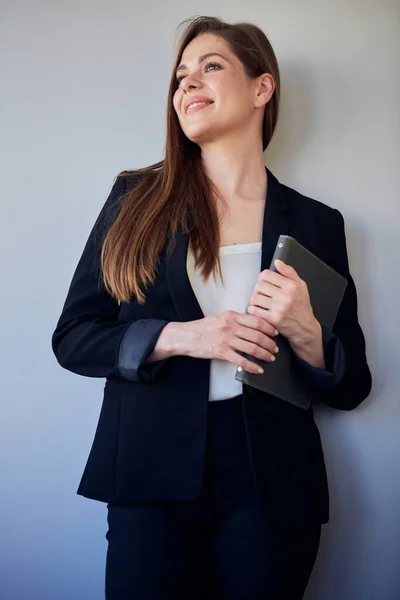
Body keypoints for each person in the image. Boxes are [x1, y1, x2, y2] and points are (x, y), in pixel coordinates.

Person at [51, 15, 372, 600]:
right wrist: (179, 337)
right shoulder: (134, 199)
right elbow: (72, 337)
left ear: (261, 89)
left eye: (211, 66)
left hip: (270, 479)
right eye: (179, 77)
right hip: (148, 472)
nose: (187, 85)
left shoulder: (318, 225)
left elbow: (351, 388)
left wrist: (307, 334)